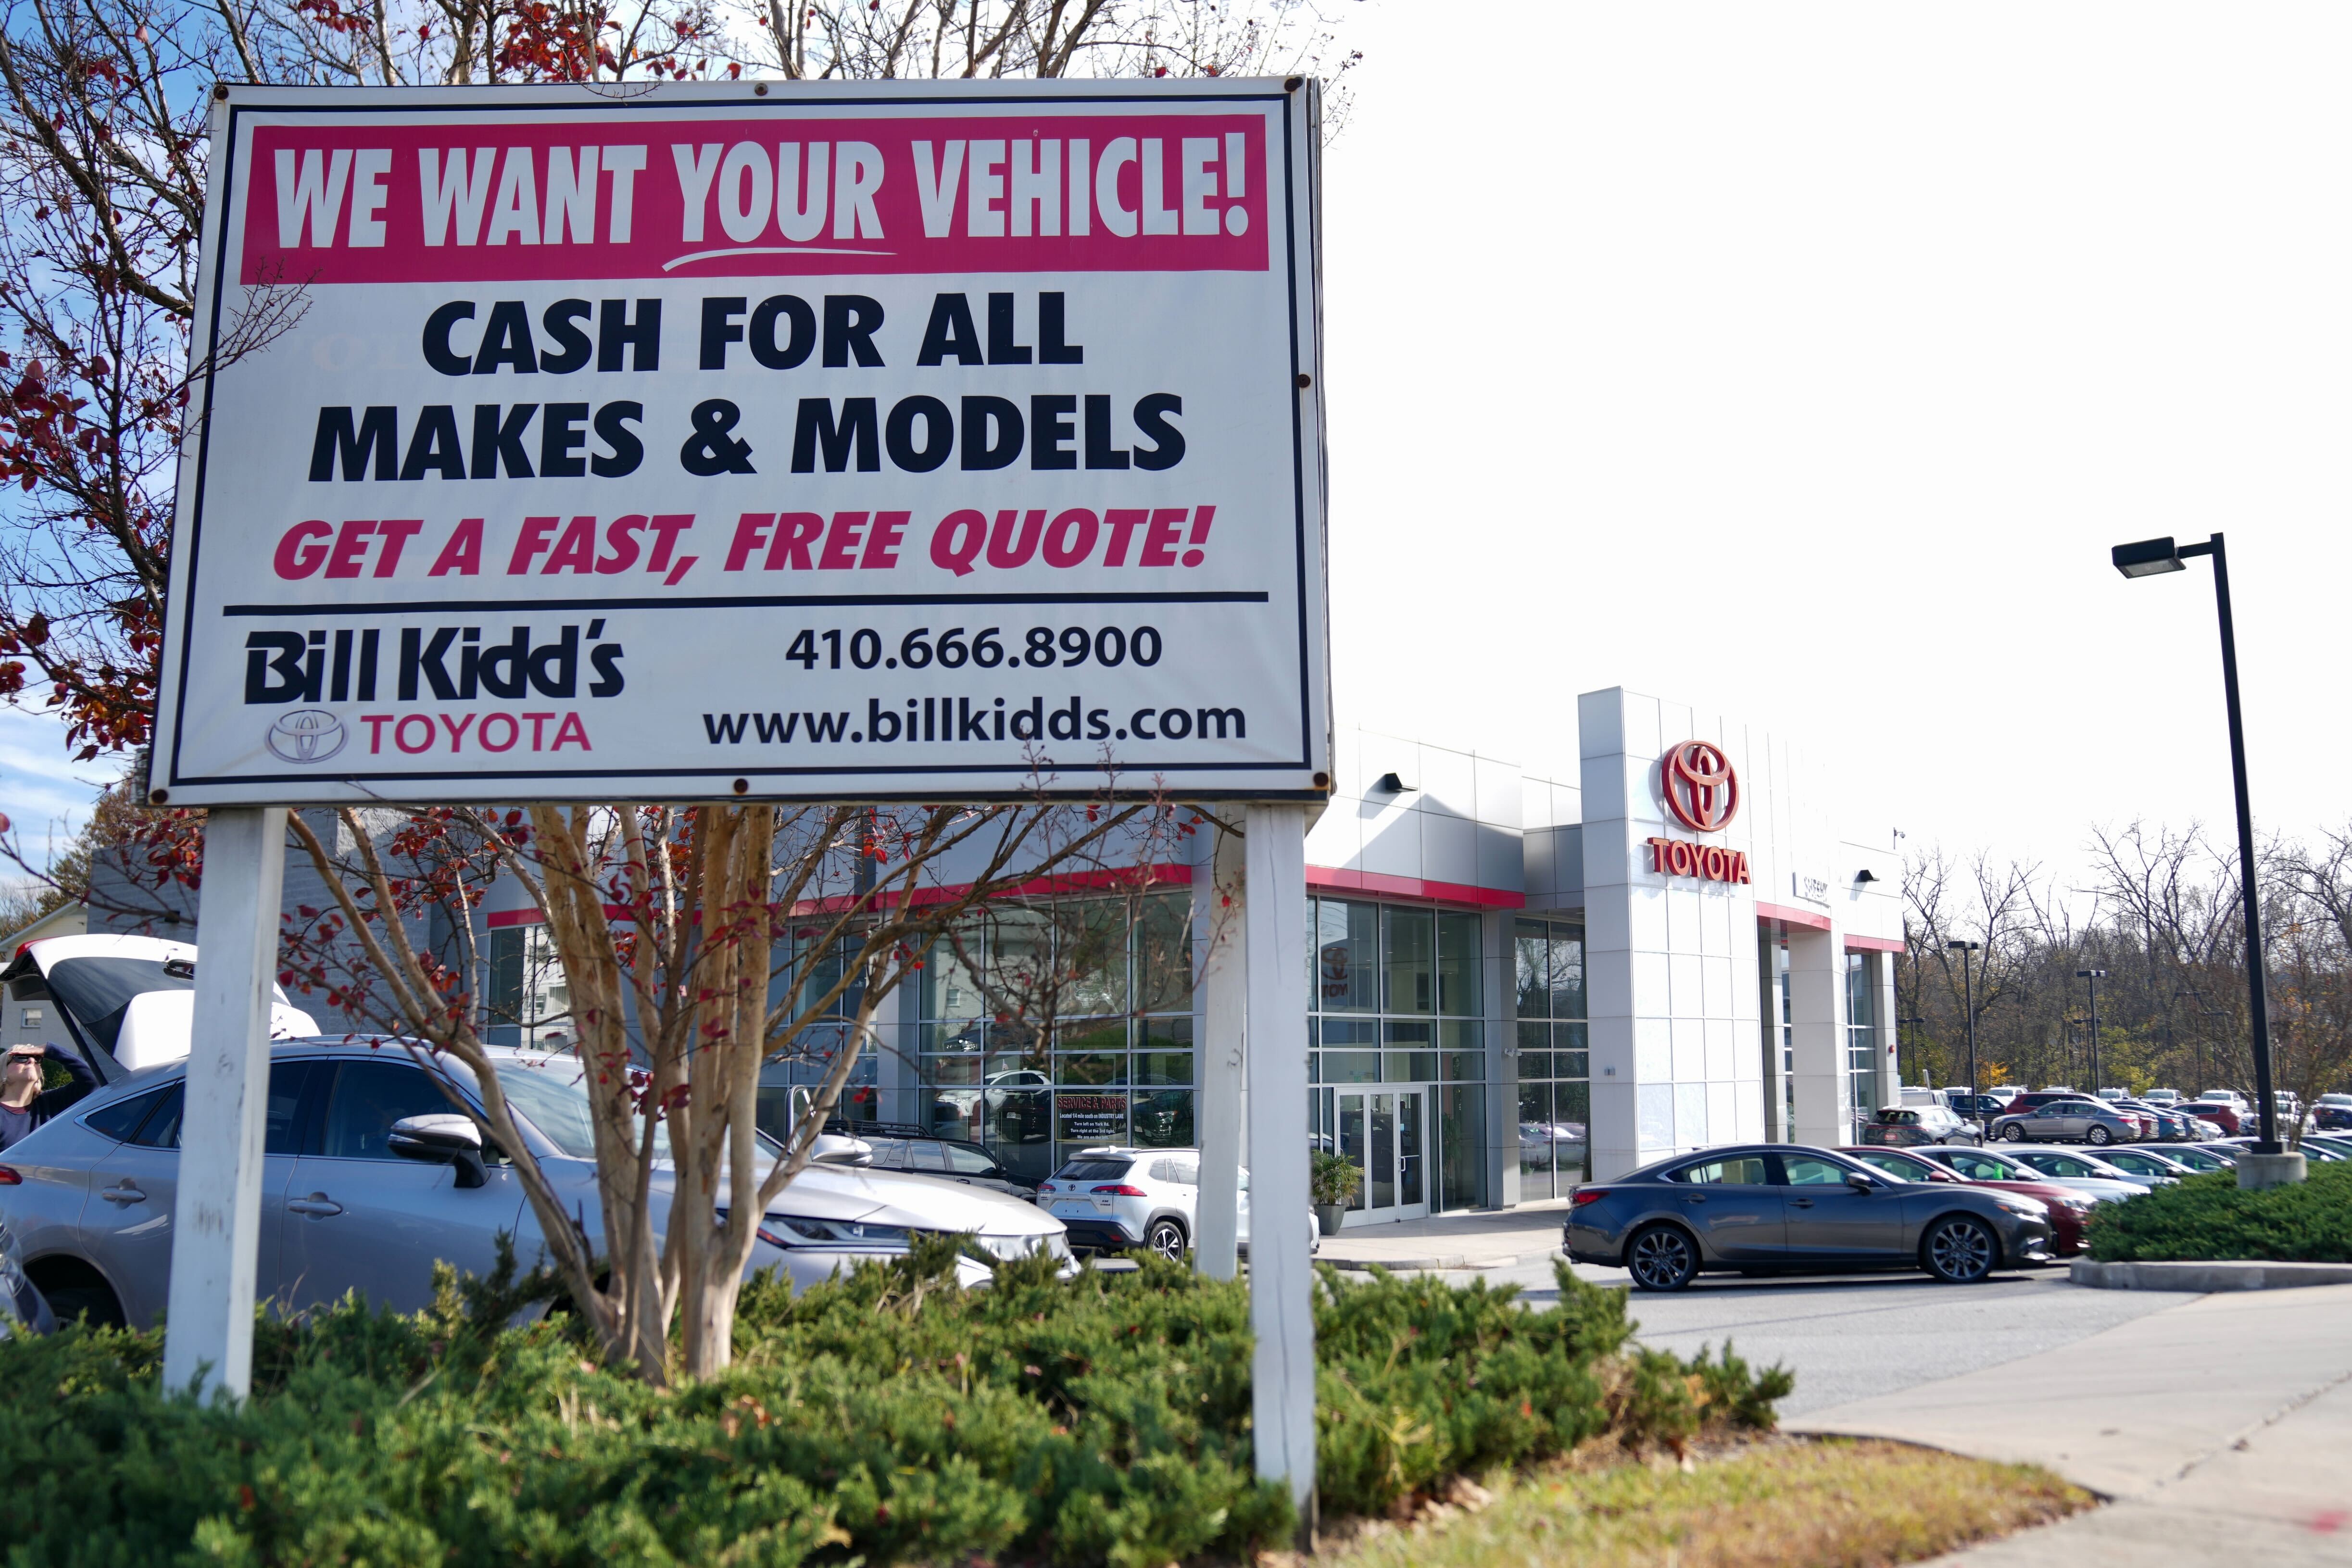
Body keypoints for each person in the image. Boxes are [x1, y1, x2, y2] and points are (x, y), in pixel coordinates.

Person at [0, 1043, 98, 1153]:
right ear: (3, 1069)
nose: (32, 1061)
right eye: (21, 1058)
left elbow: (92, 1081)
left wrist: (48, 1050)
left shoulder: (52, 1102)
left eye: (37, 1059)